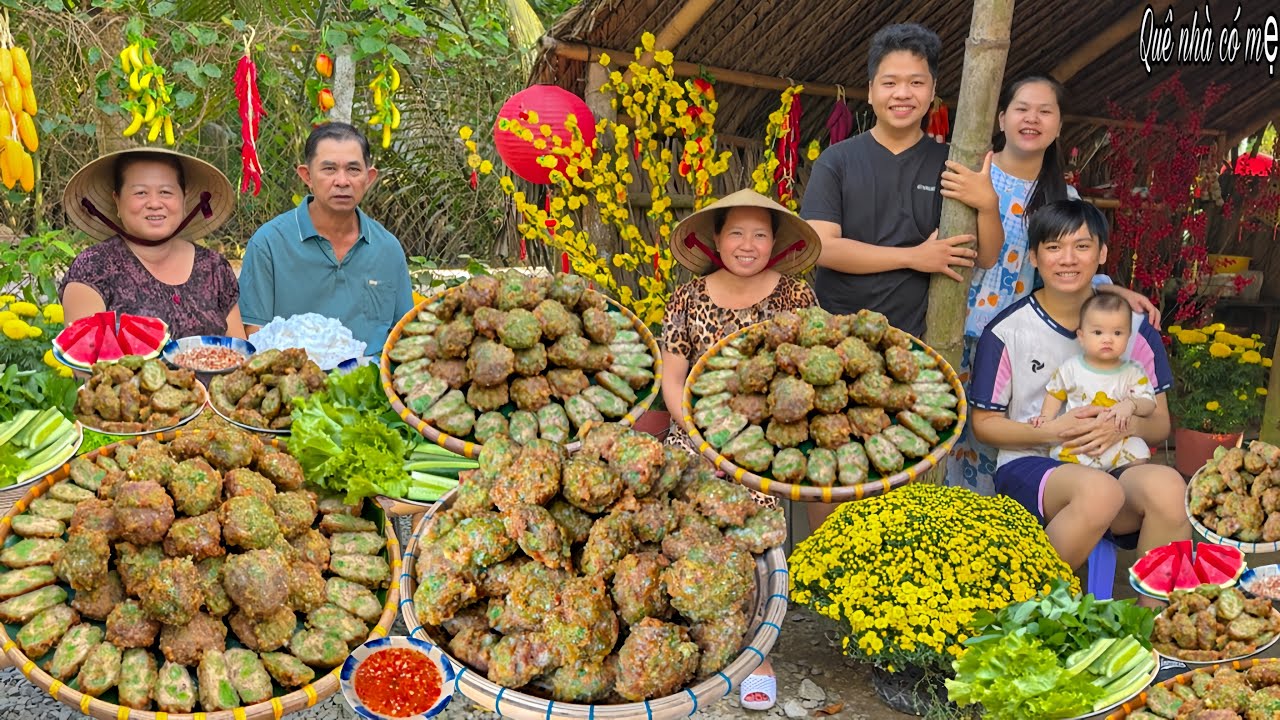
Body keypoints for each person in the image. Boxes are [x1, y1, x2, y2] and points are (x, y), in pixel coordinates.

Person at [941, 73, 1159, 495]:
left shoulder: (1065, 196)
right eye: (1022, 109)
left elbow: (1073, 267)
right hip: (961, 337)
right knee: (955, 451)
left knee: (1013, 448)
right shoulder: (970, 176)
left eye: (1046, 112)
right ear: (1001, 118)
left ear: (1059, 126)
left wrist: (1113, 289)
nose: (1032, 119)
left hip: (1020, 347)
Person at [968, 200, 1188, 601]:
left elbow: (1159, 424)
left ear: (1102, 253)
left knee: (1170, 486)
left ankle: (1156, 632)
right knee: (1098, 492)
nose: (1067, 259)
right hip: (1033, 467)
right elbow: (984, 425)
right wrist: (1055, 430)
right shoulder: (1007, 332)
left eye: (1082, 246)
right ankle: (1021, 609)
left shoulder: (1135, 330)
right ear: (1033, 256)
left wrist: (1122, 424)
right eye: (1053, 247)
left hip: (1115, 462)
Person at [661, 188, 820, 711]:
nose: (747, 244)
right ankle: (694, 646)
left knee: (756, 547)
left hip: (764, 447)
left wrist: (757, 439)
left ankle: (757, 654)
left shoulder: (796, 297)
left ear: (775, 242)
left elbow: (811, 371)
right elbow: (674, 375)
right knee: (690, 538)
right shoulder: (687, 297)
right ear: (715, 239)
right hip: (695, 439)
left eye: (759, 233)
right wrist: (700, 434)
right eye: (736, 232)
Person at [800, 23, 1001, 339]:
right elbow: (821, 247)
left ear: (932, 90)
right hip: (836, 337)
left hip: (917, 342)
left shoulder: (950, 163)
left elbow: (986, 257)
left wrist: (988, 205)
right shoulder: (837, 160)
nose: (903, 93)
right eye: (889, 82)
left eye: (916, 82)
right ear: (870, 91)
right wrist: (913, 257)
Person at [238, 122, 413, 353]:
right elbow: (255, 334)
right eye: (329, 169)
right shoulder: (269, 244)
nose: (342, 181)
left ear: (369, 178)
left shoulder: (387, 249)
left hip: (372, 384)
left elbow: (405, 334)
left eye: (353, 169)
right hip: (292, 381)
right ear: (307, 176)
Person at [60, 148, 243, 339]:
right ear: (117, 201)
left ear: (184, 198)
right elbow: (86, 361)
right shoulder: (93, 268)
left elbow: (241, 353)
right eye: (140, 193)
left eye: (165, 192)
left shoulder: (215, 268)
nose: (154, 203)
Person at [1031, 292, 1156, 472]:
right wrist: (1045, 418)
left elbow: (1149, 403)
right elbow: (1055, 393)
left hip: (1116, 440)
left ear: (1128, 336)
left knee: (1138, 450)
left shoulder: (1133, 371)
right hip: (1080, 441)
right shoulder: (1071, 368)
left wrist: (1131, 405)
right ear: (1081, 336)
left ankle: (1127, 479)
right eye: (1098, 332)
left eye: (1117, 332)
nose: (1108, 339)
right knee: (1066, 454)